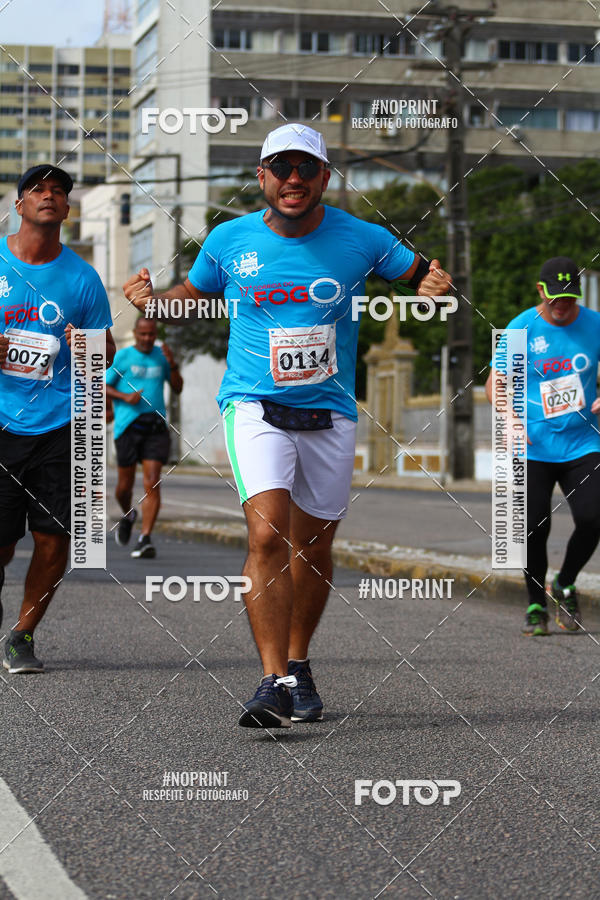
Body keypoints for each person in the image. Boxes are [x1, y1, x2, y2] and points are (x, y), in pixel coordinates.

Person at [123, 123, 451, 727]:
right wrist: (153, 301)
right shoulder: (229, 239)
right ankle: (272, 680)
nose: (293, 179)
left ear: (325, 176)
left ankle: (299, 664)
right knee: (268, 537)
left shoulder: (364, 238)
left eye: (306, 168)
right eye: (282, 168)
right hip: (254, 404)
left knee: (316, 545)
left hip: (330, 411)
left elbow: (422, 279)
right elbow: (192, 296)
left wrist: (434, 285)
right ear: (262, 177)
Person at [0, 165, 115, 673]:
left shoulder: (82, 278)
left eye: (59, 192)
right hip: (2, 423)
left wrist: (85, 344)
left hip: (63, 424)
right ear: (19, 204)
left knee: (55, 539)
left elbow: (106, 351)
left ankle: (22, 635)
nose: (48, 196)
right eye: (37, 190)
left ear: (68, 209)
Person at [486, 256, 600, 636]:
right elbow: (495, 384)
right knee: (534, 527)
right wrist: (510, 417)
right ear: (541, 291)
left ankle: (565, 582)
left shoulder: (595, 324)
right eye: (555, 298)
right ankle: (535, 603)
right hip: (532, 445)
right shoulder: (521, 328)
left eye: (570, 298)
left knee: (592, 518)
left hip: (583, 442)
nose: (562, 306)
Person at [106, 316, 183, 558]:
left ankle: (145, 538)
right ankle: (128, 513)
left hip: (155, 426)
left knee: (152, 481)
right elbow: (100, 384)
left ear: (155, 333)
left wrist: (173, 365)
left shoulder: (163, 355)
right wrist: (124, 397)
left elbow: (178, 387)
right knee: (124, 487)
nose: (148, 339)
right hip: (128, 427)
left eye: (151, 334)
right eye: (143, 334)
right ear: (136, 333)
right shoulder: (123, 357)